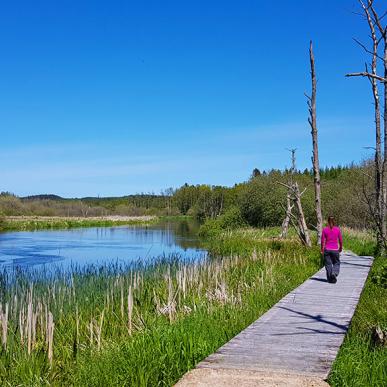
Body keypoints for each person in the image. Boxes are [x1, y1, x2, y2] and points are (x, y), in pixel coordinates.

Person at [321, 216, 343, 283]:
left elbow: (322, 241)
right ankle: (334, 274)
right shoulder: (337, 229)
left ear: (328, 221)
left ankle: (329, 278)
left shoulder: (325, 230)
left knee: (328, 264)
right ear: (334, 221)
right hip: (335, 249)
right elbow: (340, 240)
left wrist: (322, 249)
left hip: (327, 249)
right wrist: (340, 248)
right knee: (336, 263)